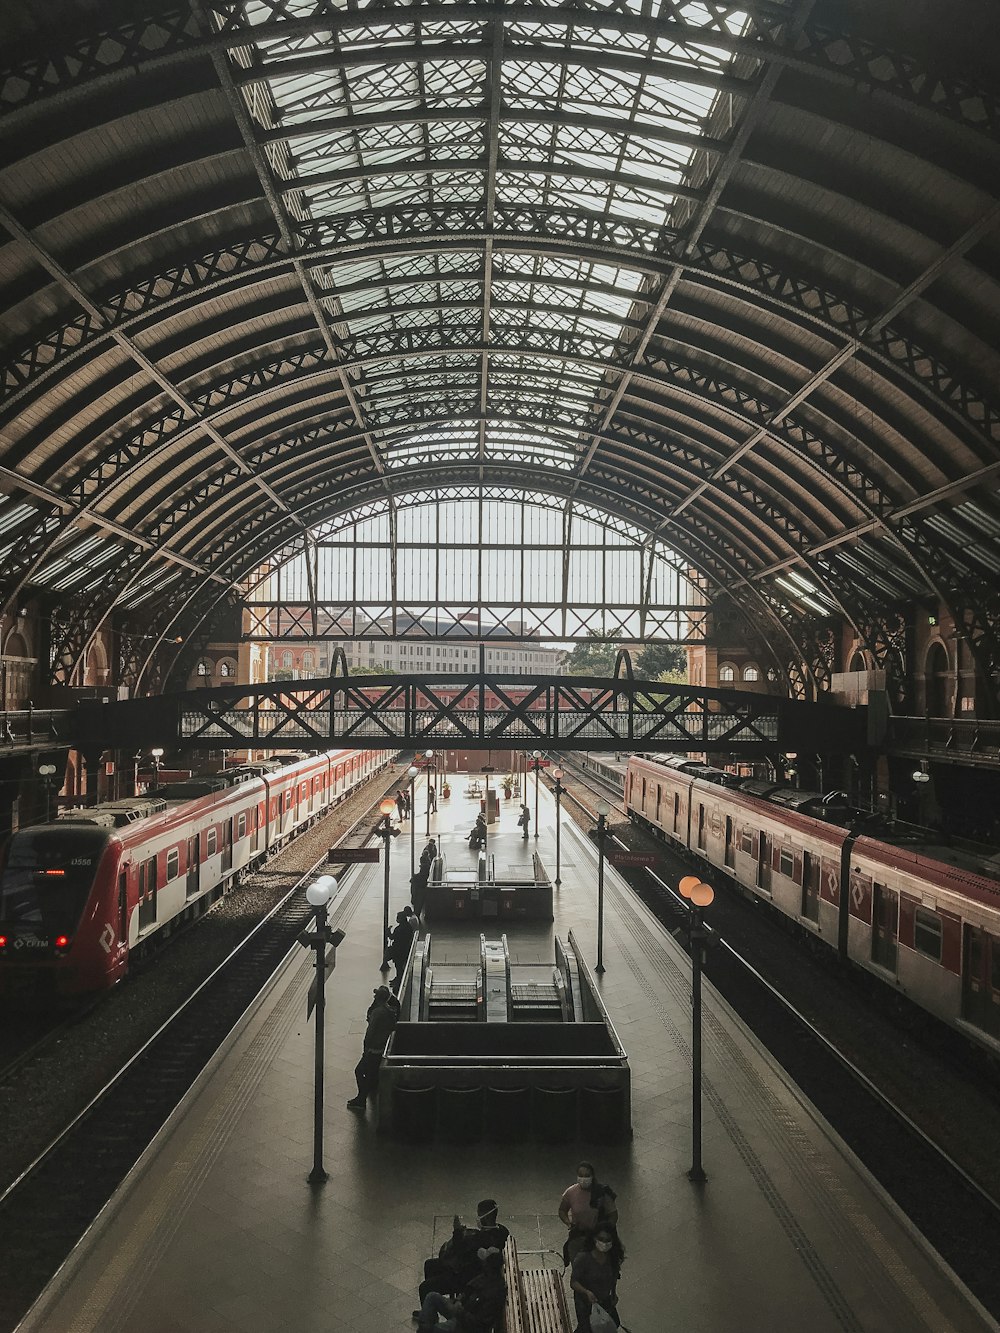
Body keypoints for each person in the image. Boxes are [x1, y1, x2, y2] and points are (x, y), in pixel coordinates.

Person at [416, 1199, 510, 1305]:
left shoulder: (481, 1239)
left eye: (479, 1215)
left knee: (424, 1287)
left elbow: (458, 1249)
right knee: (430, 1265)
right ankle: (430, 1306)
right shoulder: (502, 1230)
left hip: (465, 1276)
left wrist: (457, 1231)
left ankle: (429, 1313)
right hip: (472, 1267)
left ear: (487, 1217)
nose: (478, 1218)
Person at [414, 1250, 506, 1331]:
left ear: (490, 1268)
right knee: (432, 1296)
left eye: (485, 1263)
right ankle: (426, 1326)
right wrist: (459, 1299)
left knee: (433, 1329)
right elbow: (469, 1288)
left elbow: (478, 1324)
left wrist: (460, 1311)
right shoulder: (486, 1276)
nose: (483, 1264)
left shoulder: (494, 1293)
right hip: (461, 1312)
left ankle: (426, 1328)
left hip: (464, 1326)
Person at [347, 986, 398, 1111]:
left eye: (376, 995)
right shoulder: (389, 1011)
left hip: (373, 1049)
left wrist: (366, 1047)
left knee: (359, 1071)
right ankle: (368, 1092)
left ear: (378, 998)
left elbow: (370, 1032)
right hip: (382, 1048)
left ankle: (361, 1098)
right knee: (372, 1074)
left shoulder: (377, 1012)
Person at [559, 1161, 618, 1266]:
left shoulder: (602, 1193)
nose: (583, 1178)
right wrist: (568, 1223)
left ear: (592, 1176)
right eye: (581, 1175)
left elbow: (613, 1214)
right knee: (578, 1267)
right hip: (578, 1236)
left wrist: (606, 1230)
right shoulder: (571, 1192)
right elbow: (562, 1210)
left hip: (596, 1238)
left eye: (587, 1175)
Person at [570, 1226, 625, 1331]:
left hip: (604, 1298)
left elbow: (613, 1278)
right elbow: (573, 1282)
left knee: (612, 1323)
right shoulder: (584, 1258)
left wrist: (613, 1293)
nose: (604, 1243)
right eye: (601, 1239)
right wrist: (586, 1292)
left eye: (608, 1240)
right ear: (594, 1239)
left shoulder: (612, 1258)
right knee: (587, 1328)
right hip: (585, 1302)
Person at [386, 908, 415, 993]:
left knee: (398, 967)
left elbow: (392, 937)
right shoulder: (408, 927)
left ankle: (398, 981)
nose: (396, 919)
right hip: (405, 950)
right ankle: (398, 979)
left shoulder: (398, 929)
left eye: (398, 917)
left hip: (398, 951)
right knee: (400, 966)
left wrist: (388, 931)